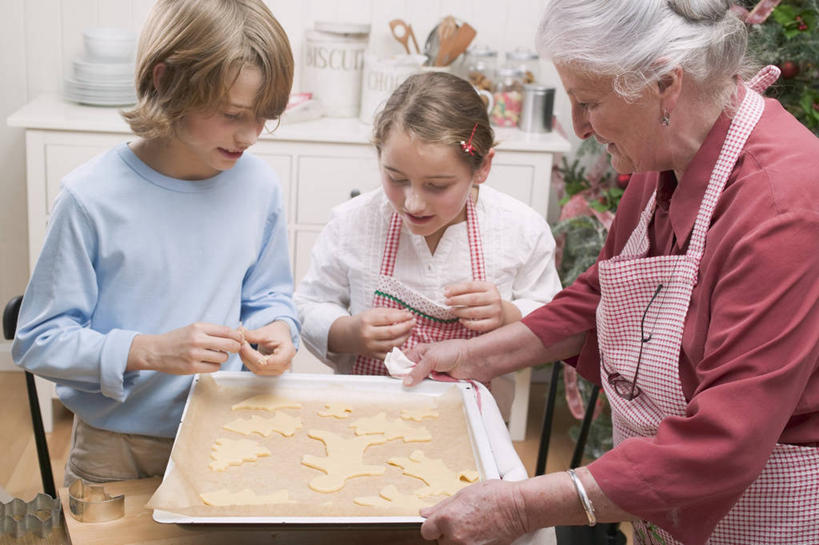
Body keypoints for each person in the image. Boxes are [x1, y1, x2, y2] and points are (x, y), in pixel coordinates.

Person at [404, 1, 819, 544]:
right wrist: (470, 356)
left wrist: (523, 507)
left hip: (760, 514)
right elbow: (604, 295)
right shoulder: (663, 152)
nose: (577, 128)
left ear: (665, 84)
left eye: (588, 102)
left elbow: (728, 438)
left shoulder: (782, 205)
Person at [12, 0, 300, 485]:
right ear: (166, 81)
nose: (251, 134)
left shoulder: (259, 187)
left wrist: (279, 328)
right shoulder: (90, 198)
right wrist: (147, 351)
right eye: (233, 113)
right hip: (115, 450)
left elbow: (268, 295)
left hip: (226, 431)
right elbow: (39, 342)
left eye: (265, 116)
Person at [293, 71, 563, 399]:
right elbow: (309, 304)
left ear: (482, 168)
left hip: (473, 412)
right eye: (396, 178)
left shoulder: (521, 230)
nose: (414, 202)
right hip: (363, 406)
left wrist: (508, 314)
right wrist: (348, 332)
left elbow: (551, 318)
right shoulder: (353, 223)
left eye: (437, 186)